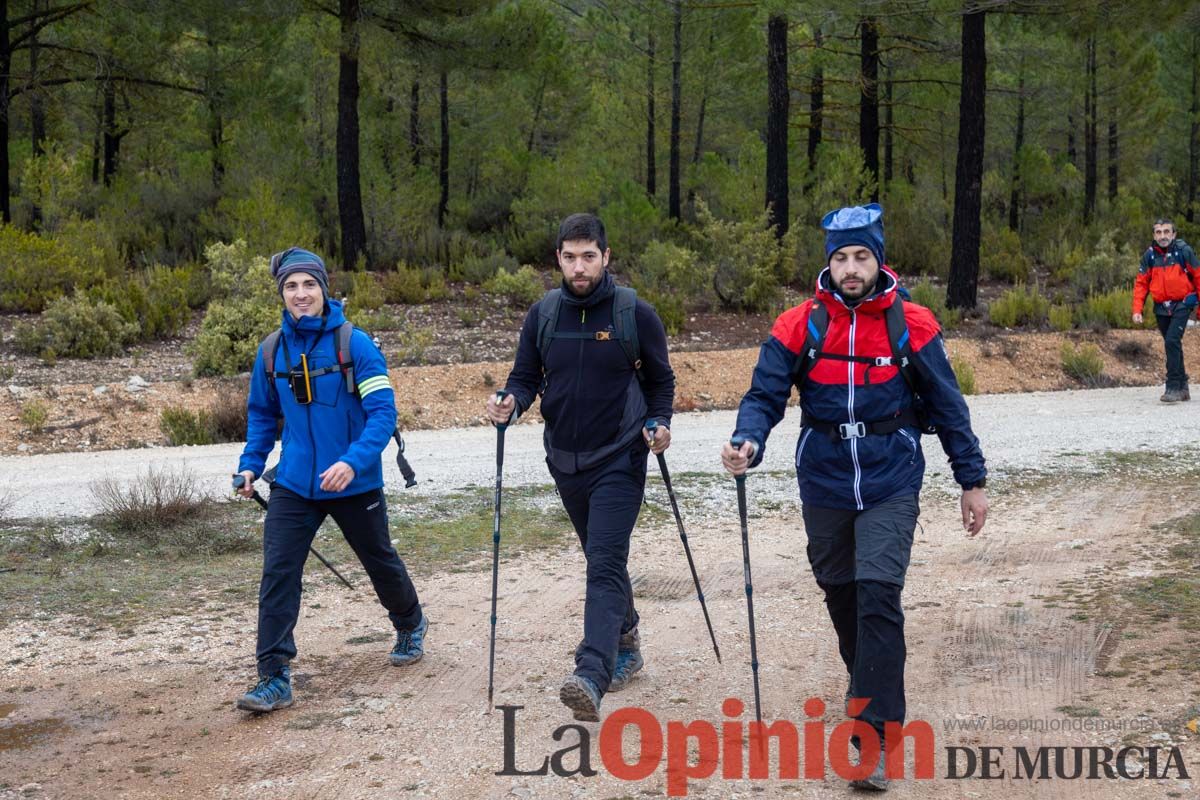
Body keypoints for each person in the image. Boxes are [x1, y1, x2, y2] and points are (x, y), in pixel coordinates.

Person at [720, 204, 988, 791]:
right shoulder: (799, 324)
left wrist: (971, 479)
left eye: (861, 256)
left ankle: (872, 737)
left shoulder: (911, 324)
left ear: (878, 258)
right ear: (828, 262)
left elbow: (947, 406)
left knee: (877, 596)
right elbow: (764, 394)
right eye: (840, 257)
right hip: (824, 476)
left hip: (892, 475)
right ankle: (866, 680)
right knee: (840, 591)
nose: (850, 268)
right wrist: (747, 439)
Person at [484, 213, 675, 722]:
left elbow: (660, 382)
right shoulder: (544, 314)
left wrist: (659, 421)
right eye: (569, 257)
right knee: (600, 555)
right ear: (558, 259)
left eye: (589, 255)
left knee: (604, 562)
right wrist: (510, 401)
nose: (579, 266)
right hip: (564, 460)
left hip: (621, 456)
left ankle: (592, 671)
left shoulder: (635, 313)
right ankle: (627, 637)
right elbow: (524, 377)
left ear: (606, 256)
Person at [234, 247, 426, 713]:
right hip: (295, 484)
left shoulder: (354, 344)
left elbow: (383, 415)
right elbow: (262, 416)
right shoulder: (270, 351)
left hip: (353, 482)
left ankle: (409, 621)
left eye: (309, 285)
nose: (301, 294)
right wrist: (250, 464)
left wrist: (353, 462)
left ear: (324, 288)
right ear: (281, 293)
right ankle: (273, 675)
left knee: (378, 559)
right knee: (279, 572)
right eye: (291, 287)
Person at [1132, 218, 1199, 403]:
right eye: (1159, 232)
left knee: (1171, 341)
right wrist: (1137, 309)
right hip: (1161, 307)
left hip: (1183, 303)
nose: (1163, 236)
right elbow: (1141, 284)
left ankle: (1172, 387)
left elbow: (1199, 276)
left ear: (1174, 234)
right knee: (1173, 344)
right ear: (1154, 235)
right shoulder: (1149, 256)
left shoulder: (1184, 251)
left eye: (1166, 232)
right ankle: (1183, 387)